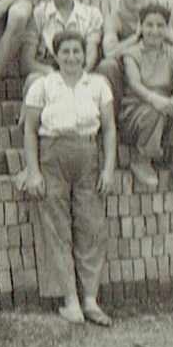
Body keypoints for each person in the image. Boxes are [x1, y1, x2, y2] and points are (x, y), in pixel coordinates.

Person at [23, 30, 116, 326]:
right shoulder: (43, 86)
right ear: (56, 55)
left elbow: (110, 129)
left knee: (91, 225)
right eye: (66, 52)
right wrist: (33, 171)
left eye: (77, 51)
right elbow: (29, 130)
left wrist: (108, 168)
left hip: (87, 155)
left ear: (84, 55)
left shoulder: (98, 85)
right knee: (57, 226)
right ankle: (70, 300)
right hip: (52, 155)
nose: (72, 57)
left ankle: (90, 298)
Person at [119, 3, 173, 191]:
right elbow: (135, 84)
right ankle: (142, 159)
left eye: (160, 25)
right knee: (155, 110)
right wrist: (156, 100)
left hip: (164, 104)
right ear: (141, 27)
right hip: (136, 109)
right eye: (149, 25)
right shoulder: (132, 53)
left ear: (166, 29)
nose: (154, 30)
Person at [20, 0, 103, 97]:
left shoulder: (91, 14)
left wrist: (77, 74)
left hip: (81, 70)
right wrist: (55, 75)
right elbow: (27, 61)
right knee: (33, 81)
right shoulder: (38, 14)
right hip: (48, 70)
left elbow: (90, 55)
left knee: (101, 84)